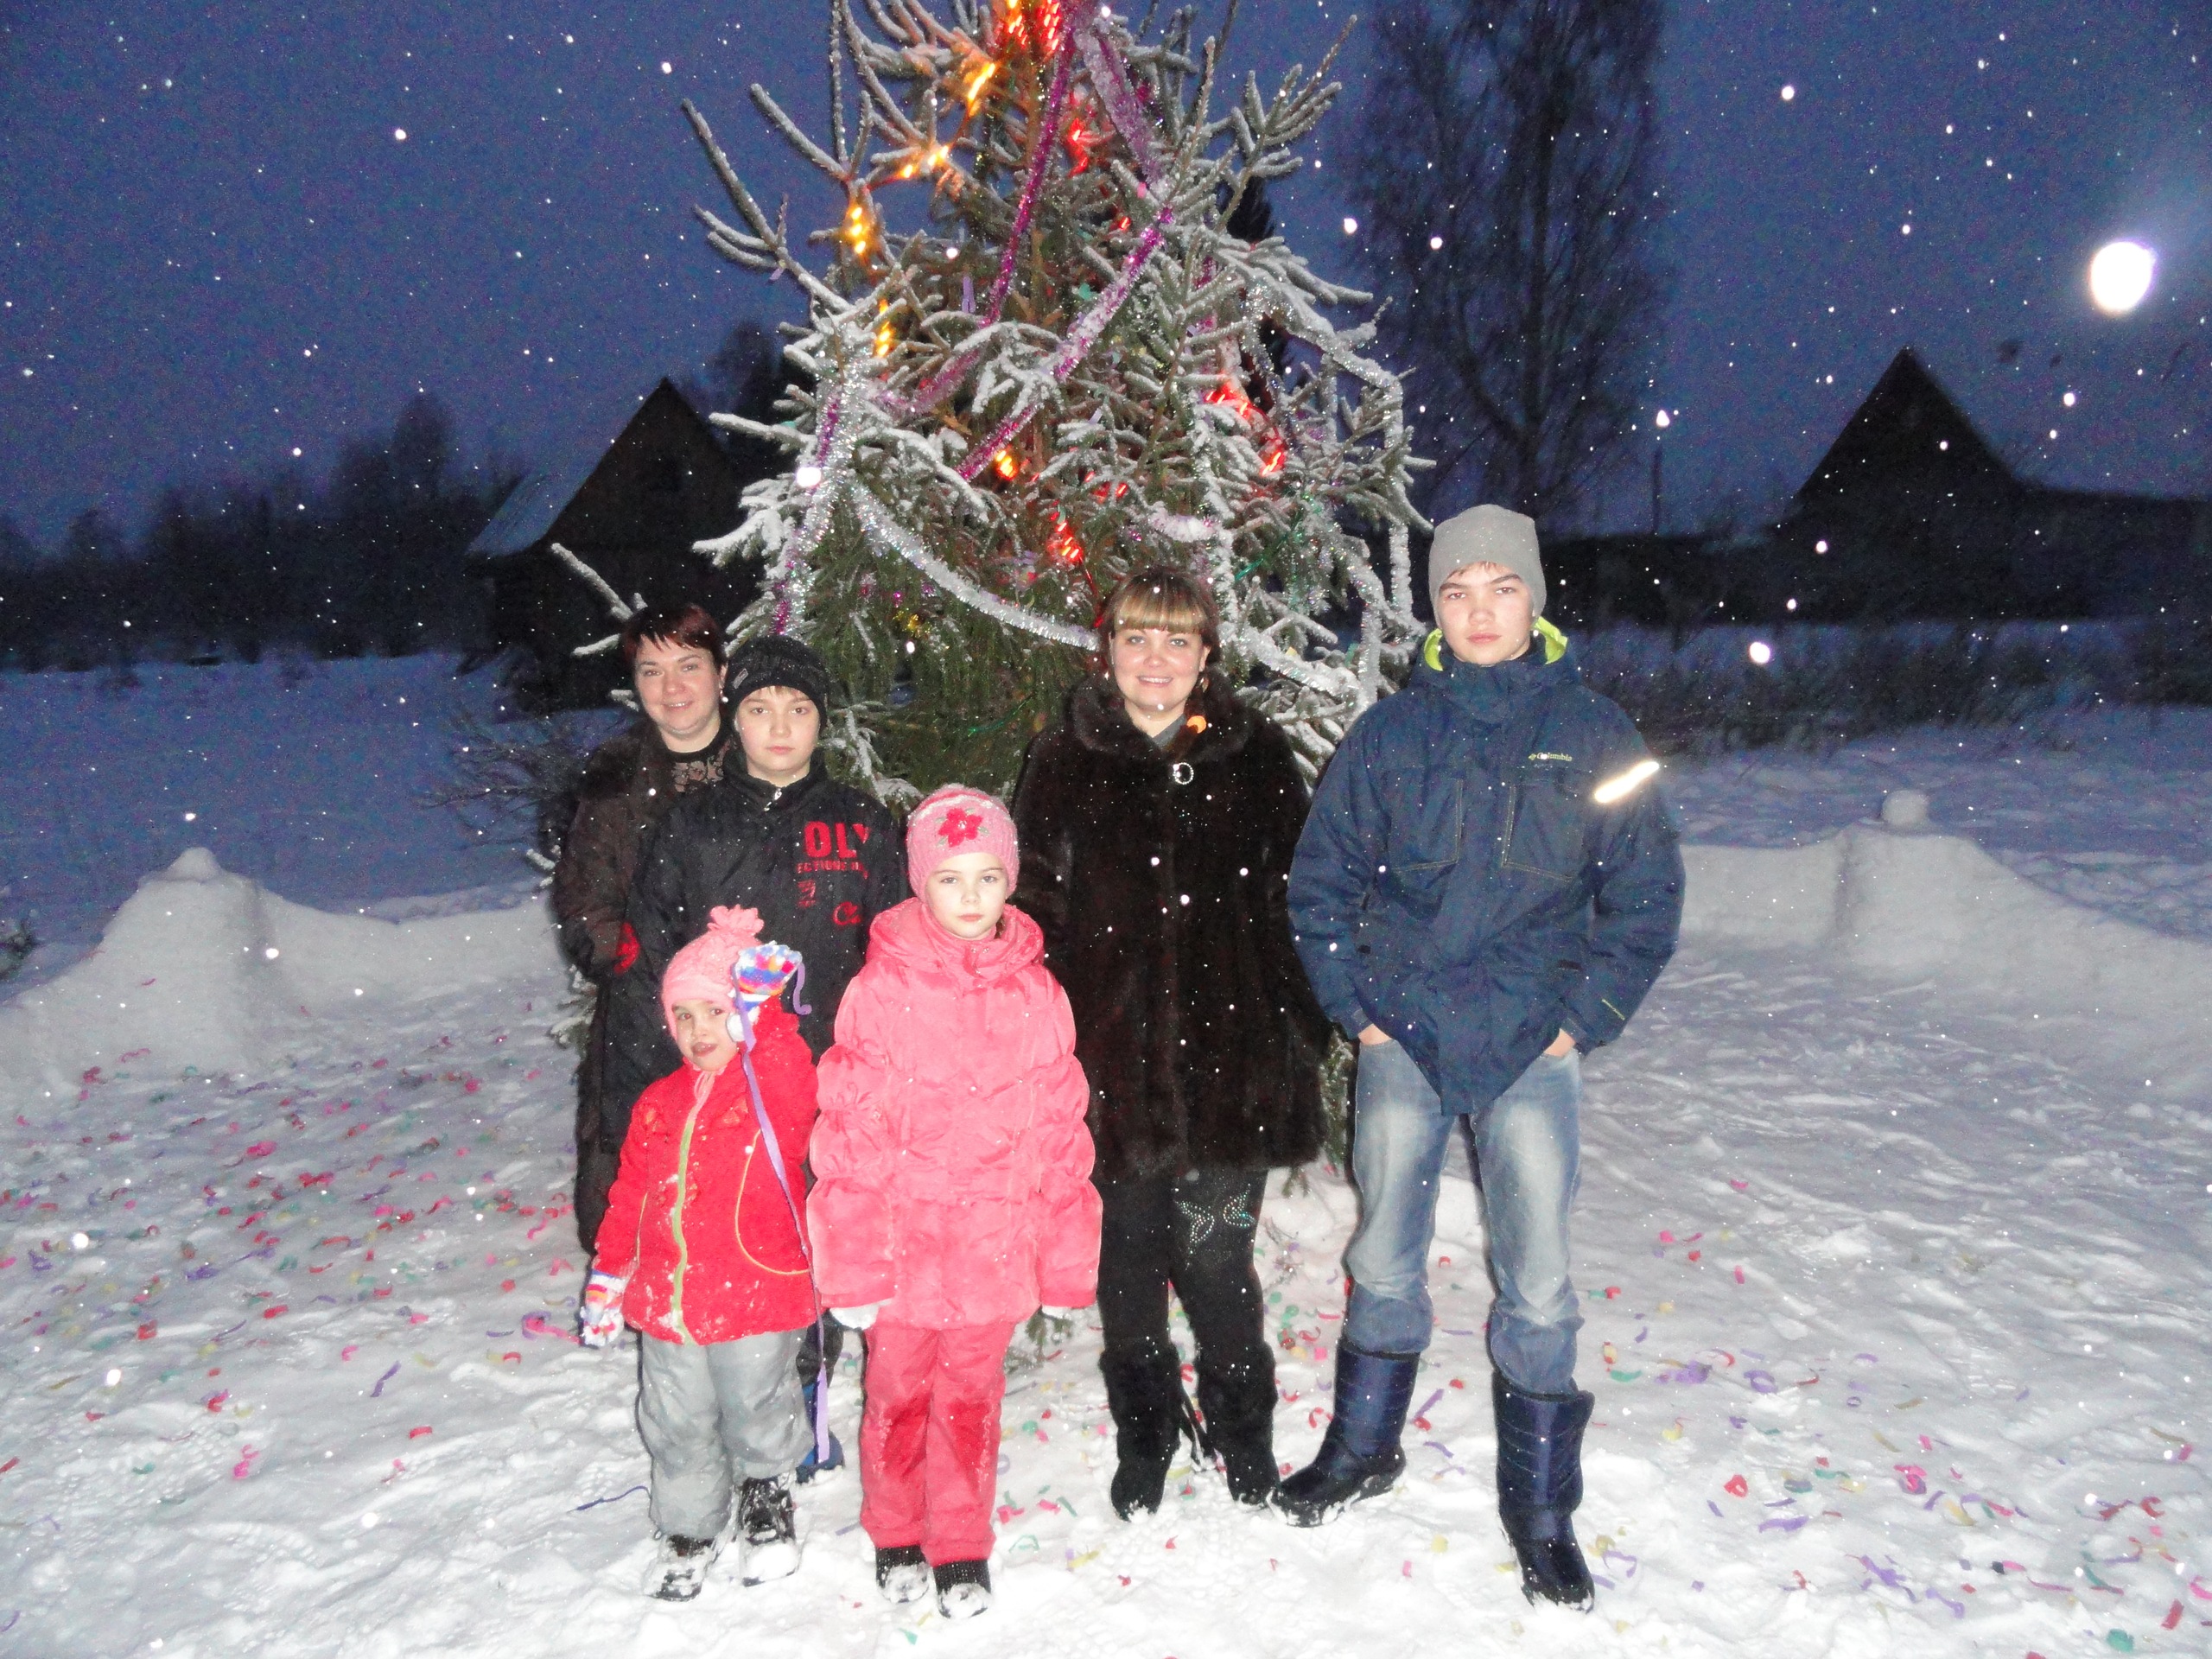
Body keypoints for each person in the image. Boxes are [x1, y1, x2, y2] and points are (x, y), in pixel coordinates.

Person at [1278, 505, 1684, 1610]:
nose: (1479, 611)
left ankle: (1540, 1505)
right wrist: (1357, 1010)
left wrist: (1581, 1018)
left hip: (1530, 1041)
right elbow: (1320, 886)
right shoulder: (1389, 736)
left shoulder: (1596, 734)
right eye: (1457, 592)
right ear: (1437, 610)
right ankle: (1363, 1449)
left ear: (1534, 600)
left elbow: (1645, 896)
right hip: (1404, 1030)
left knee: (1538, 1277)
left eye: (1501, 588)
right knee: (1383, 1254)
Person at [1013, 566, 1332, 1518]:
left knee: (1216, 1261)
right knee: (1127, 1264)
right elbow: (1033, 912)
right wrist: (1044, 1047)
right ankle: (1147, 1431)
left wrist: (1299, 1029)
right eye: (1137, 638)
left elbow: (1300, 900)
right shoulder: (1062, 759)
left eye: (1177, 640)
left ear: (1205, 655)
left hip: (1235, 1066)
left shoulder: (1254, 753)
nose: (1156, 659)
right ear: (1108, 650)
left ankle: (1243, 1428)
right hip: (1108, 1070)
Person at [602, 633, 906, 1480]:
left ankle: (802, 1401)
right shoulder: (691, 826)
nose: (779, 726)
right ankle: (744, 1411)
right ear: (734, 718)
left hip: (827, 1081)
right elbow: (650, 959)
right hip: (723, 1088)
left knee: (814, 1240)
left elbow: (892, 952)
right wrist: (654, 1085)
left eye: (798, 710)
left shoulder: (860, 824)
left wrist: (885, 1067)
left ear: (821, 722)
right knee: (744, 1241)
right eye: (761, 708)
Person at [807, 786, 1100, 1620]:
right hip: (902, 1250)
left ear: (1010, 881)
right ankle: (896, 1529)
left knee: (971, 1400)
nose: (970, 898)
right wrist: (854, 1264)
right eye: (949, 879)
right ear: (919, 882)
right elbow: (850, 1133)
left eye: (986, 877)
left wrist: (1063, 1258)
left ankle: (962, 1540)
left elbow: (1060, 1133)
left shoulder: (1037, 995)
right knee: (897, 1395)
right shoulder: (880, 990)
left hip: (992, 1250)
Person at [577, 905, 820, 1601]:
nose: (697, 1030)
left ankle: (767, 1497)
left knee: (756, 1404)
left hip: (756, 1291)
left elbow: (787, 1065)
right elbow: (630, 1194)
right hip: (670, 1299)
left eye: (714, 1011)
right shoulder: (658, 1102)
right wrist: (609, 1274)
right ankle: (688, 1527)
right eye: (682, 1015)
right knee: (676, 1419)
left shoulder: (770, 1091)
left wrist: (764, 1011)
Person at [550, 602, 734, 1255]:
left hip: (755, 1006)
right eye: (652, 671)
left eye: (689, 665)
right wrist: (650, 975)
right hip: (647, 1011)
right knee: (635, 1192)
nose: (672, 686)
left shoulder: (764, 756)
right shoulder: (615, 776)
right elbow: (584, 903)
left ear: (721, 673)